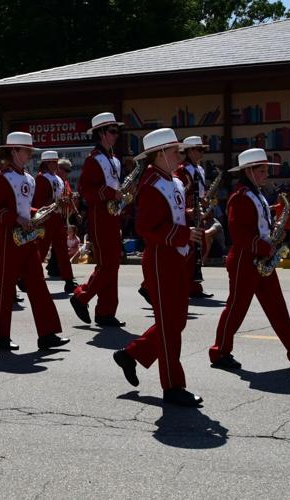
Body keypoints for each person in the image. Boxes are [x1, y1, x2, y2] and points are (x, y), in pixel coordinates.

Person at [208, 148, 290, 370]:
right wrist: (266, 247)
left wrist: (276, 218)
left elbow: (258, 222)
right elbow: (239, 234)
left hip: (261, 258)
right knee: (236, 309)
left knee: (277, 307)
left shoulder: (255, 193)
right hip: (245, 260)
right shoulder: (240, 197)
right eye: (262, 170)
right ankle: (219, 352)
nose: (266, 174)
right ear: (249, 171)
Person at [111, 128, 203, 407]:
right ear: (161, 153)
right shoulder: (151, 184)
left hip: (176, 258)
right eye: (175, 151)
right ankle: (173, 386)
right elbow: (146, 228)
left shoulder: (171, 179)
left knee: (176, 322)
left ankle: (130, 354)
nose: (180, 155)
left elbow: (171, 215)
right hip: (162, 260)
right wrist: (184, 234)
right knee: (170, 326)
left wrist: (191, 216)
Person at [0, 131, 69, 351]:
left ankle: (47, 334)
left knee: (38, 284)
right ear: (14, 151)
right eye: (27, 151)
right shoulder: (2, 176)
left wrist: (37, 212)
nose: (31, 155)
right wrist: (17, 218)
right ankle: (0, 337)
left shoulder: (29, 178)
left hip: (28, 238)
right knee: (6, 287)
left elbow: (24, 207)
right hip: (8, 237)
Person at [71, 112, 127, 327]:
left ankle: (106, 312)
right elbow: (86, 191)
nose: (116, 135)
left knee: (113, 264)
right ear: (102, 133)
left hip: (112, 216)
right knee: (108, 265)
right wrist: (112, 194)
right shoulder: (93, 160)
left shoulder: (113, 159)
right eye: (112, 131)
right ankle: (81, 296)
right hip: (99, 217)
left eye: (116, 131)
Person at [174, 136, 214, 299]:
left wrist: (205, 201)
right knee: (190, 251)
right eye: (199, 150)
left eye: (203, 150)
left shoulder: (200, 169)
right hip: (188, 215)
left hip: (198, 213)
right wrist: (189, 210)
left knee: (200, 249)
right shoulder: (181, 170)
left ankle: (194, 286)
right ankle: (188, 285)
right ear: (189, 151)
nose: (202, 153)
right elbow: (179, 195)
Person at [33, 151, 78, 293]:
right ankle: (28, 276)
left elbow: (64, 195)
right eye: (52, 162)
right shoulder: (41, 178)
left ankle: (69, 280)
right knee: (41, 250)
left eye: (55, 162)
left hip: (58, 218)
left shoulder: (57, 179)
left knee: (62, 251)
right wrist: (56, 202)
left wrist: (66, 202)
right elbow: (38, 201)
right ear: (46, 163)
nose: (55, 165)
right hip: (47, 219)